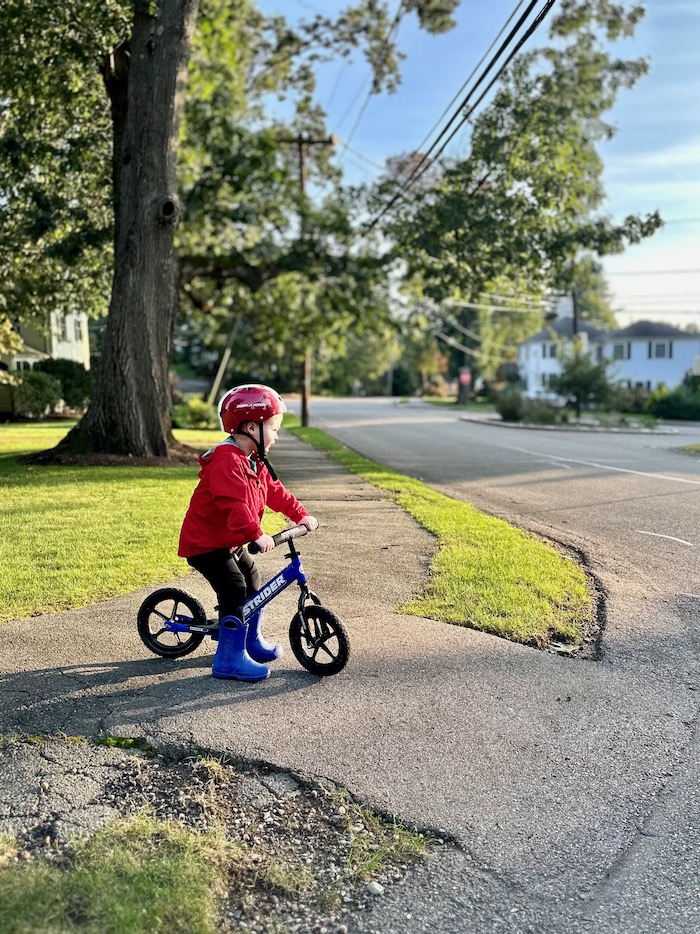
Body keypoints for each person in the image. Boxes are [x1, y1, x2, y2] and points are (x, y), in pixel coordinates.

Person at [178, 384, 317, 682]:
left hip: (229, 540)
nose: (277, 435)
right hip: (206, 544)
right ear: (251, 427)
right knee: (234, 589)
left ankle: (250, 640)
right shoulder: (226, 461)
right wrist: (256, 534)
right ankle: (228, 660)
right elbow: (234, 505)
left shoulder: (254, 459)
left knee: (252, 578)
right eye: (274, 428)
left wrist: (301, 514)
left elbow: (275, 492)